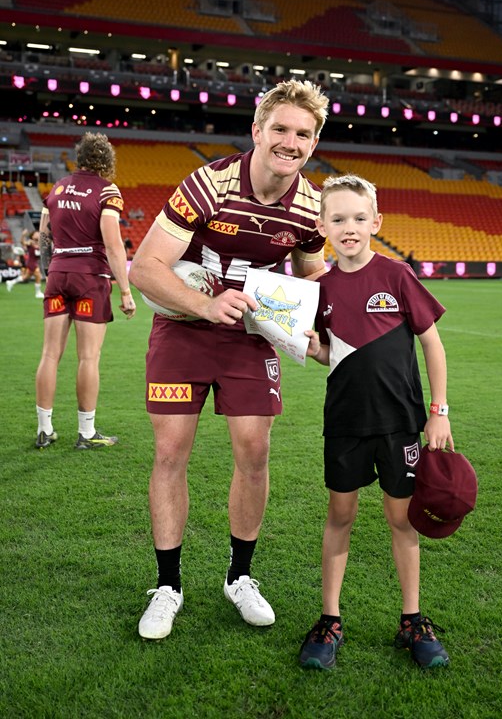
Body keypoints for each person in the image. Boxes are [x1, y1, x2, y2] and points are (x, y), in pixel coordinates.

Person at [129, 79, 329, 641]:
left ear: (313, 143)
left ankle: (239, 577)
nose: (291, 142)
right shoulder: (209, 182)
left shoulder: (311, 206)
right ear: (258, 131)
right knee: (170, 452)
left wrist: (322, 334)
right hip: (182, 329)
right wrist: (203, 303)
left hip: (252, 336)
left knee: (255, 450)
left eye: (304, 134)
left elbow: (314, 277)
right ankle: (167, 585)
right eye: (282, 129)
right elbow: (144, 268)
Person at [299, 173, 454, 672]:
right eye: (338, 219)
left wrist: (439, 412)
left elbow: (431, 343)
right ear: (323, 225)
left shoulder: (397, 275)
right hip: (345, 422)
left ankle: (411, 619)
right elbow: (331, 353)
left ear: (376, 223)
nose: (349, 227)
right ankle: (329, 619)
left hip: (401, 424)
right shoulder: (317, 288)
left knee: (401, 520)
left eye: (359, 218)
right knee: (340, 516)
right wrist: (313, 346)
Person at [34, 132, 136, 450]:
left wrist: (47, 270)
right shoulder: (107, 190)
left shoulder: (59, 187)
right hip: (90, 278)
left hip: (58, 274)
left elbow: (43, 235)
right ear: (107, 160)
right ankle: (86, 433)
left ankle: (45, 430)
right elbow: (113, 243)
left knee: (50, 355)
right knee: (88, 358)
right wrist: (126, 292)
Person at [6, 228, 44, 298]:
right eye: (36, 234)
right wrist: (23, 235)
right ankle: (38, 293)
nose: (37, 234)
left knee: (25, 277)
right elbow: (22, 242)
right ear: (32, 236)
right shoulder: (30, 242)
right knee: (38, 275)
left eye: (38, 234)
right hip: (31, 262)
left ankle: (11, 282)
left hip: (34, 262)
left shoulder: (39, 243)